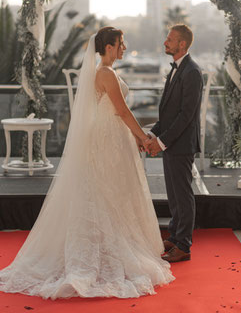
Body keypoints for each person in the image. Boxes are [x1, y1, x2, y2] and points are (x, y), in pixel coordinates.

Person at [0, 27, 174, 299]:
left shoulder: (103, 72)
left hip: (110, 137)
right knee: (107, 193)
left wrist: (138, 138)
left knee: (109, 193)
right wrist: (143, 136)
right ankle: (103, 252)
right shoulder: (105, 73)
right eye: (121, 44)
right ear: (108, 47)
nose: (124, 48)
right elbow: (123, 110)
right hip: (108, 140)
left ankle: (107, 243)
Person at [146, 24, 203, 263]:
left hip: (181, 145)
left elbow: (185, 116)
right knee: (174, 195)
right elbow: (168, 113)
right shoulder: (176, 69)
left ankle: (184, 246)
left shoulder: (192, 72)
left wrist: (161, 142)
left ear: (182, 44)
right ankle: (175, 235)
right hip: (171, 144)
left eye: (170, 40)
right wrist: (152, 135)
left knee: (183, 194)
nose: (165, 43)